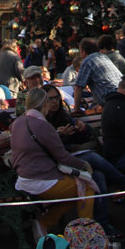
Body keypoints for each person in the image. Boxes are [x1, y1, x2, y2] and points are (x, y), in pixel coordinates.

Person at [42, 84, 125, 234]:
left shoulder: (62, 116)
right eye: (50, 99)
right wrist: (60, 136)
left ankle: (101, 224)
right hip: (54, 166)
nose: (55, 102)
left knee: (98, 176)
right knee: (91, 157)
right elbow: (50, 150)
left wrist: (83, 129)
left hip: (70, 160)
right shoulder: (41, 121)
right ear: (43, 101)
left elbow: (81, 137)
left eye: (56, 98)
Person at [11, 87, 97, 238]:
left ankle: (45, 223)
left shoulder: (17, 123)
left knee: (75, 191)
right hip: (41, 180)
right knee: (87, 186)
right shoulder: (43, 125)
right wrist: (83, 165)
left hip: (23, 177)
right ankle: (85, 234)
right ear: (44, 104)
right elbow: (62, 157)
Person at [72, 38, 122, 112]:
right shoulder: (103, 57)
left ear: (83, 52)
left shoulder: (87, 61)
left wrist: (76, 110)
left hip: (110, 99)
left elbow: (78, 87)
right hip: (121, 94)